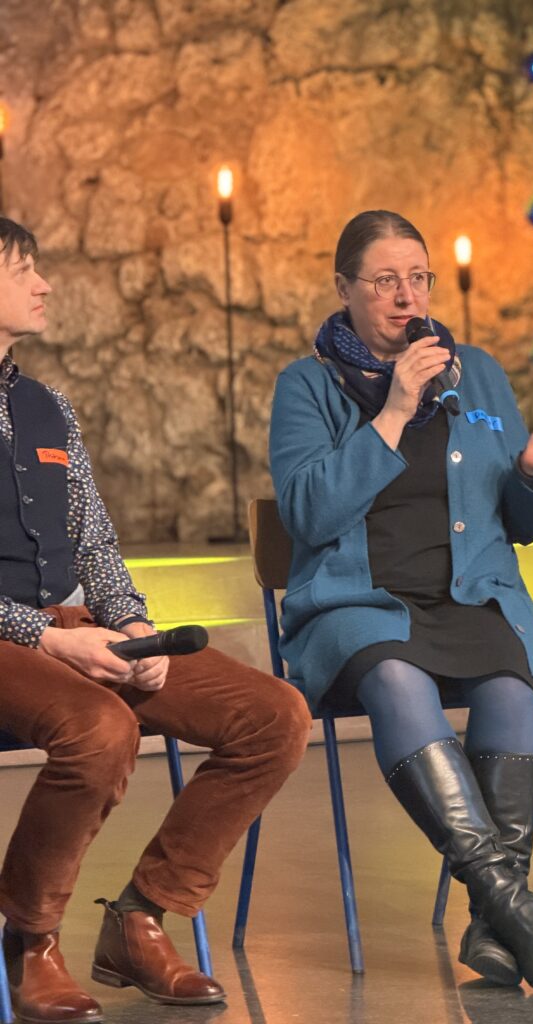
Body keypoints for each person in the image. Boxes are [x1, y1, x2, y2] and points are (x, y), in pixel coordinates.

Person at [269, 209, 533, 988]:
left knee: (513, 681)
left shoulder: (480, 372)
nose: (407, 296)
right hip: (357, 605)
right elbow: (308, 515)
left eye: (418, 277)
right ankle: (507, 897)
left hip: (469, 599)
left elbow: (527, 526)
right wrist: (393, 411)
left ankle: (496, 928)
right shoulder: (306, 384)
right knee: (396, 675)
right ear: (344, 288)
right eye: (385, 280)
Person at [0, 216, 312, 1024]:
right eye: (24, 268)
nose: (45, 283)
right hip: (9, 637)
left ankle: (142, 916)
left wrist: (132, 628)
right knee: (103, 731)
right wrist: (48, 636)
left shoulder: (47, 407)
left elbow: (94, 537)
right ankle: (29, 939)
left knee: (274, 714)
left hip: (76, 626)